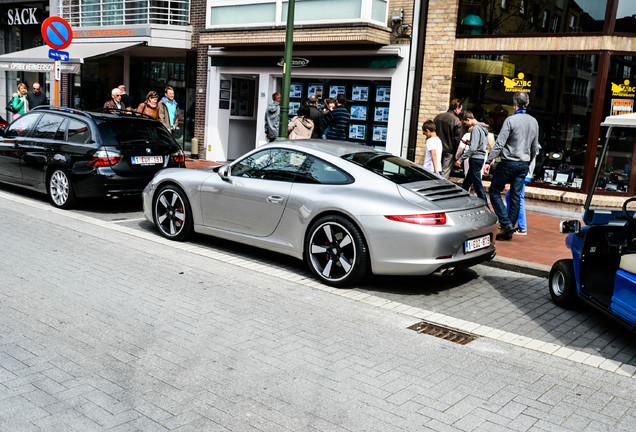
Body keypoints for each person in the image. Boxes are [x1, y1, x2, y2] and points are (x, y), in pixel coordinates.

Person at [484, 92, 540, 241]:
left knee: (494, 191)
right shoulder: (534, 122)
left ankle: (506, 223)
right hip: (523, 165)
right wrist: (528, 162)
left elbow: (499, 144)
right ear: (526, 104)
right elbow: (535, 147)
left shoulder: (511, 120)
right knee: (515, 197)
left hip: (509, 163)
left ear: (515, 104)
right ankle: (508, 231)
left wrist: (489, 161)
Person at [505, 145, 540, 235]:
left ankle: (522, 227)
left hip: (523, 175)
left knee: (518, 198)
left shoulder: (528, 143)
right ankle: (509, 223)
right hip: (525, 174)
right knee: (510, 197)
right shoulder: (531, 142)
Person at [456, 110, 488, 202]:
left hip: (475, 158)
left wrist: (461, 159)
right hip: (480, 158)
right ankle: (462, 201)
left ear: (468, 119)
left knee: (477, 185)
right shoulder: (483, 128)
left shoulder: (476, 128)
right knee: (467, 183)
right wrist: (471, 143)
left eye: (465, 122)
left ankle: (485, 205)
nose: (465, 125)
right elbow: (483, 145)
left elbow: (473, 148)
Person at [434, 98, 463, 179]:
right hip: (449, 151)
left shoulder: (438, 117)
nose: (460, 111)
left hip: (436, 148)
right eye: (460, 109)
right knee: (444, 173)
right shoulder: (456, 121)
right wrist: (457, 155)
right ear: (457, 108)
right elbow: (457, 140)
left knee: (434, 170)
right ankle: (440, 189)